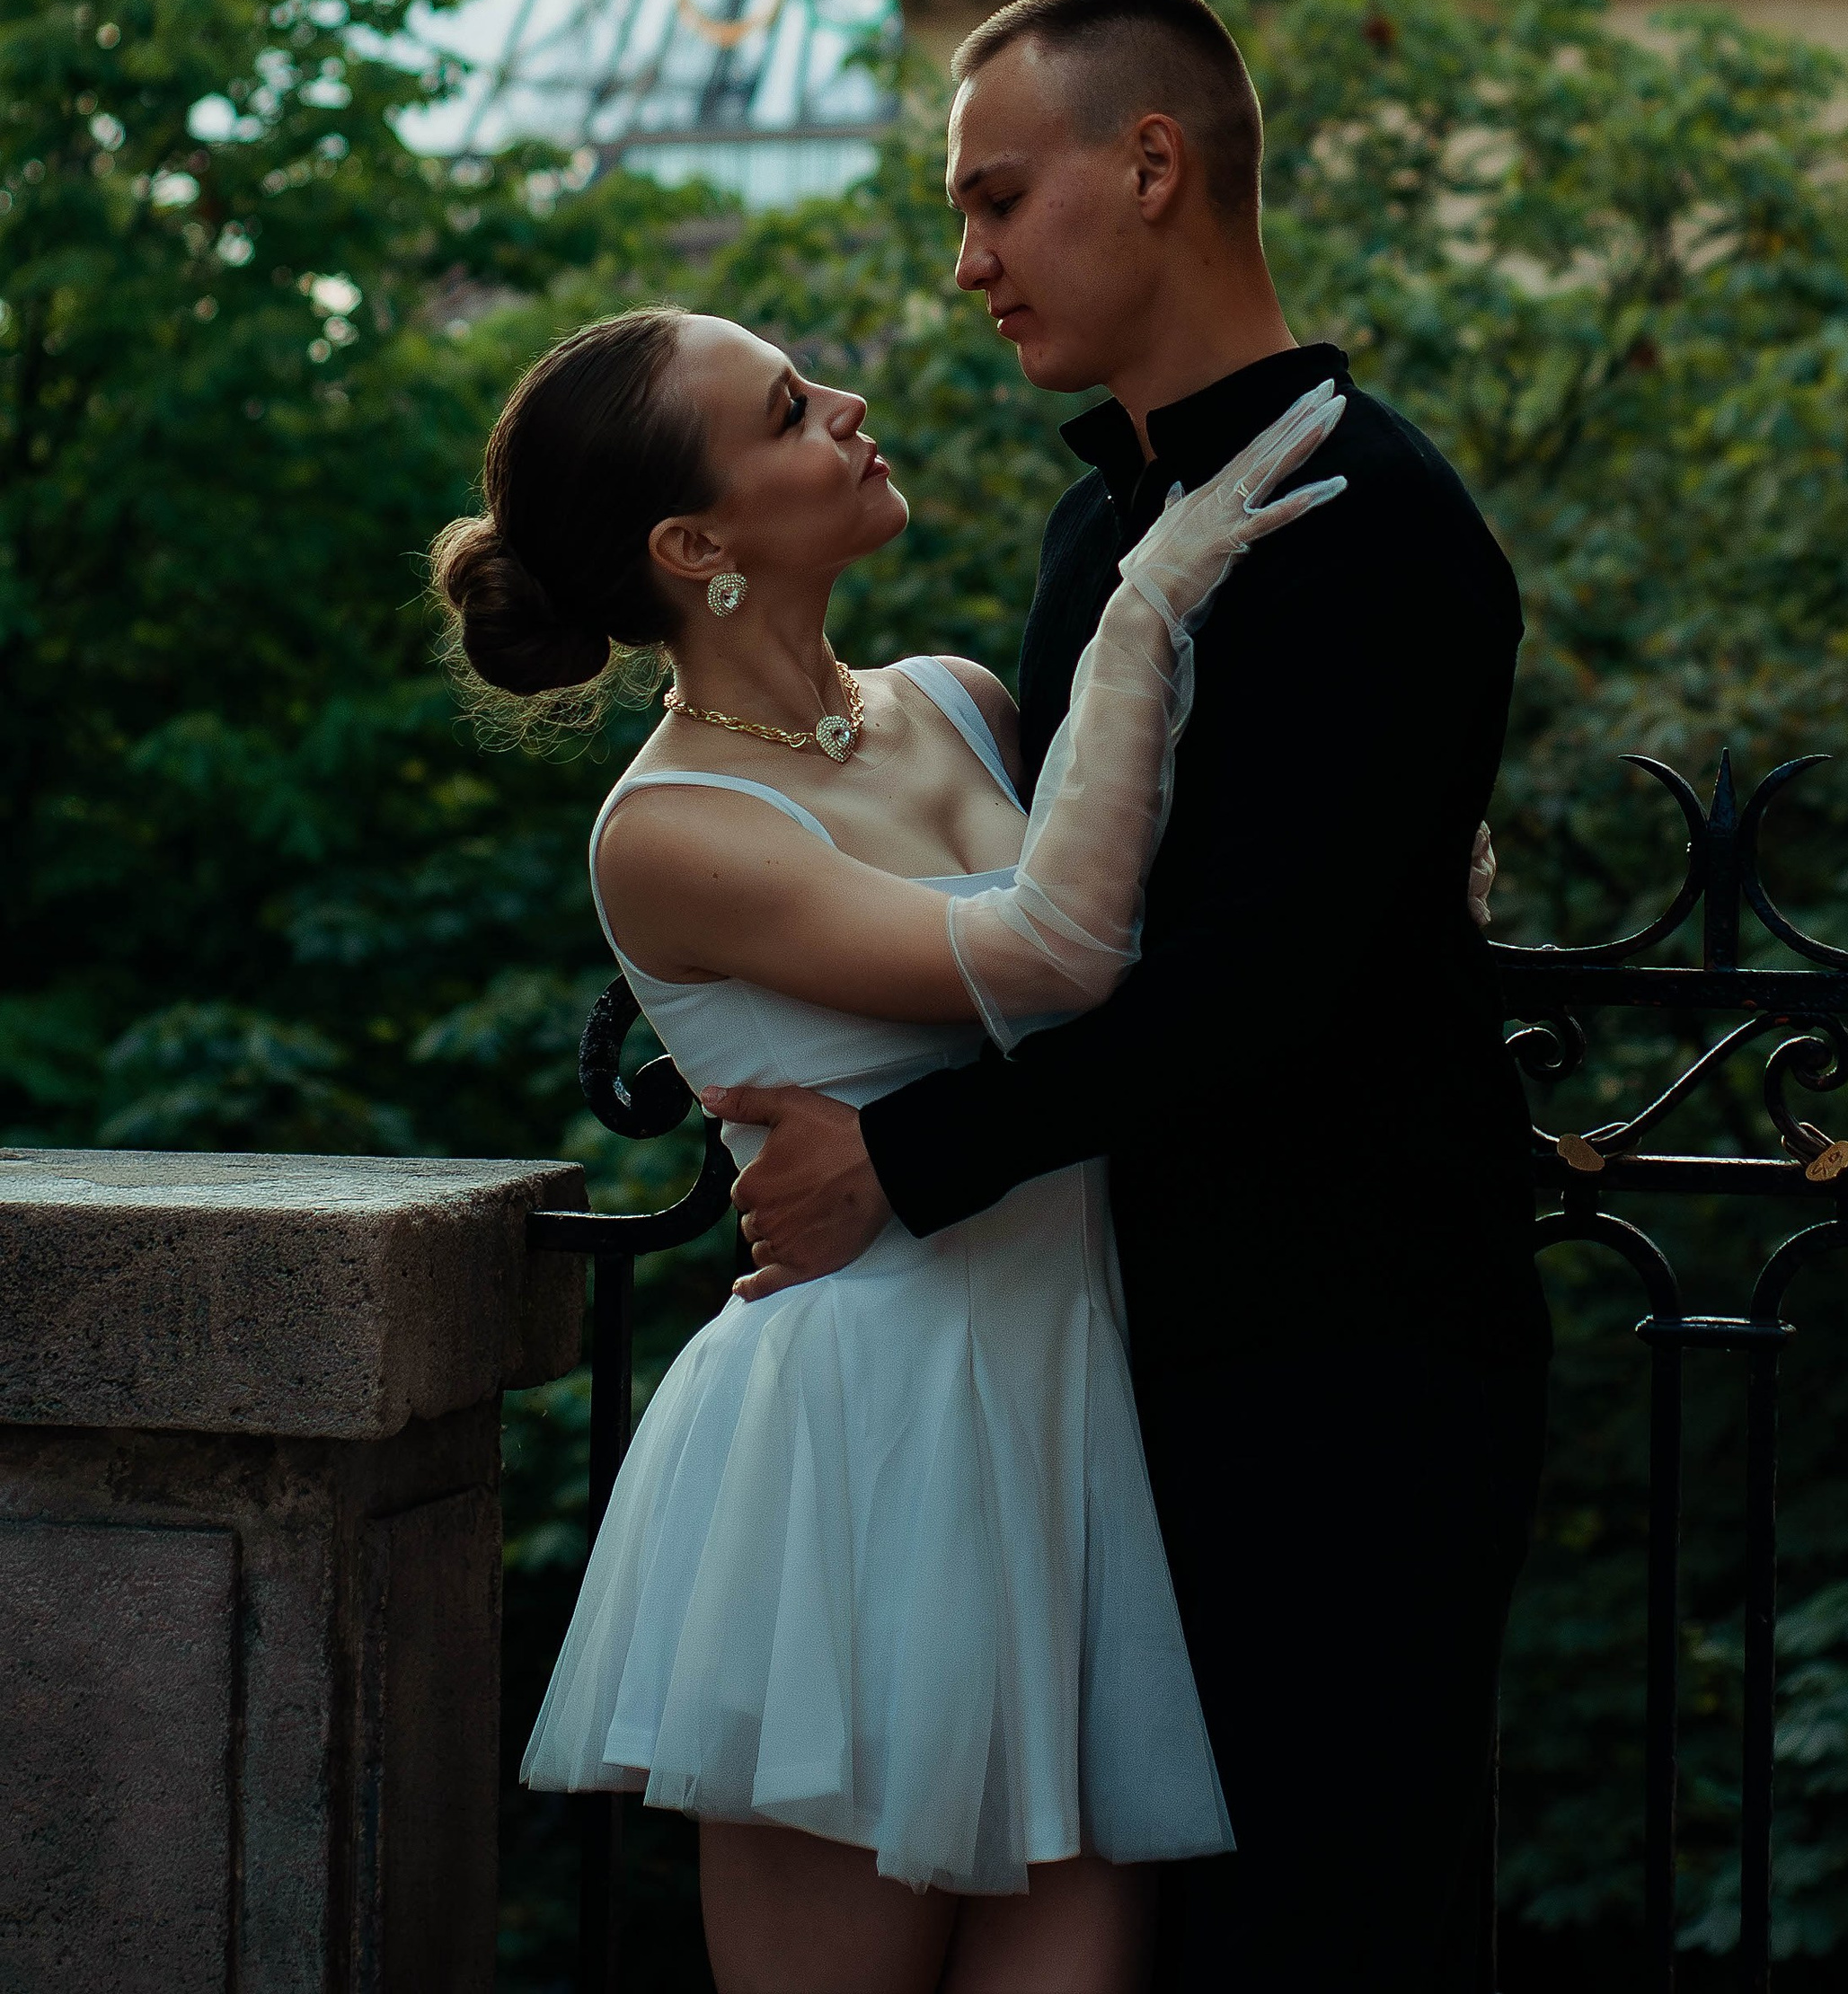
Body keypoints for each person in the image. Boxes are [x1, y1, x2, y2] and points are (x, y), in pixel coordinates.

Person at [711, 0, 1546, 1994]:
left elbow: (1252, 989)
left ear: (1149, 164)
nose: (967, 261)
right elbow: (1047, 917)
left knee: (1313, 1929)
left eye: (996, 197)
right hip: (1122, 1360)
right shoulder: (1111, 518)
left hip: (1339, 1369)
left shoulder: (1372, 522)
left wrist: (893, 1161)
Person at [432, 305, 1348, 1994]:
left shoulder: (963, 700)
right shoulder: (674, 832)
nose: (849, 406)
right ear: (696, 545)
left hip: (1066, 1415)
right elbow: (1060, 952)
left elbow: (1176, 949)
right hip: (858, 1457)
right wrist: (1147, 607)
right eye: (790, 410)